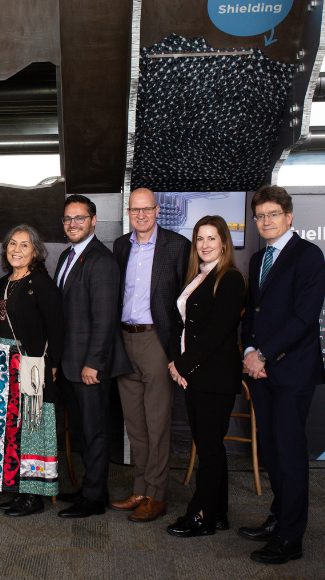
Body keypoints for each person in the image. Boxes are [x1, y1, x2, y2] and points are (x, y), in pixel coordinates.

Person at [238, 185, 325, 564]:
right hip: (261, 374)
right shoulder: (259, 259)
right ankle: (278, 517)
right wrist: (248, 353)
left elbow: (305, 318)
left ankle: (292, 538)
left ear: (289, 217)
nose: (266, 221)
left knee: (290, 456)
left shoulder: (309, 256)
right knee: (273, 453)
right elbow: (252, 314)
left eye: (273, 214)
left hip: (291, 372)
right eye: (260, 216)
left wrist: (264, 355)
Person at [110, 187, 190, 522]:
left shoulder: (178, 246)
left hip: (156, 340)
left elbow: (188, 299)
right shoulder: (120, 246)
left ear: (157, 211)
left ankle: (157, 495)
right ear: (129, 212)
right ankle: (140, 489)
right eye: (134, 210)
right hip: (125, 339)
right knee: (135, 424)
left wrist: (180, 349)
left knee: (157, 422)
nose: (140, 215)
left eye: (147, 210)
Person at [164, 216, 247, 538]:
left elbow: (216, 333)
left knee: (209, 448)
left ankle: (199, 514)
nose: (205, 244)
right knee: (209, 445)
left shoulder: (230, 279)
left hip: (215, 377)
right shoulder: (197, 277)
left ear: (224, 243)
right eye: (200, 238)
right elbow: (181, 326)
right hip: (195, 375)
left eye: (212, 238)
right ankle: (218, 513)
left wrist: (182, 366)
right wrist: (176, 362)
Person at [54, 195, 132, 519]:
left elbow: (104, 320)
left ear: (94, 220)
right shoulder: (66, 257)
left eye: (79, 218)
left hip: (89, 367)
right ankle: (91, 488)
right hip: (71, 365)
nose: (73, 224)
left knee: (96, 433)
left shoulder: (101, 260)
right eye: (68, 219)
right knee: (82, 432)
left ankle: (95, 499)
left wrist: (93, 364)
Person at [0, 225, 64, 516]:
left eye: (24, 245)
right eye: (12, 244)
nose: (17, 250)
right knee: (9, 427)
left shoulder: (42, 283)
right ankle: (16, 489)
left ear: (35, 252)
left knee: (32, 426)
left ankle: (34, 495)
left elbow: (56, 327)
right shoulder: (4, 281)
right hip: (3, 365)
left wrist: (52, 365)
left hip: (31, 364)